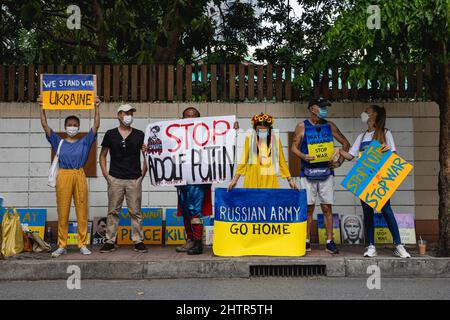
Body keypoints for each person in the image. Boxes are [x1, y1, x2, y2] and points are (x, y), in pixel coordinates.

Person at [338, 105, 411, 258]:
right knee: (368, 213)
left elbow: (394, 154)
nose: (364, 113)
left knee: (386, 211)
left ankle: (399, 245)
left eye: (367, 111)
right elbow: (351, 156)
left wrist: (387, 148)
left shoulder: (385, 133)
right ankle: (371, 246)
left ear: (374, 115)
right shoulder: (361, 136)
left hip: (380, 179)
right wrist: (339, 151)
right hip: (364, 179)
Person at [143, 107, 213, 255]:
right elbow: (162, 149)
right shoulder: (174, 136)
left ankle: (198, 243)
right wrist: (149, 148)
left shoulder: (207, 133)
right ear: (181, 118)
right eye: (187, 116)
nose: (191, 118)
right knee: (185, 210)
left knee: (195, 210)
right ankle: (190, 240)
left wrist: (233, 131)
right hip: (181, 178)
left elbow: (222, 141)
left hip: (198, 178)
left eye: (194, 116)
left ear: (200, 119)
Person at [39, 96, 101, 258]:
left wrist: (97, 107)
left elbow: (96, 126)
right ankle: (62, 244)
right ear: (65, 126)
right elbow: (45, 125)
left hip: (79, 173)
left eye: (75, 125)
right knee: (63, 211)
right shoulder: (58, 141)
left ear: (78, 127)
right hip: (64, 175)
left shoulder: (85, 141)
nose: (72, 127)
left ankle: (82, 243)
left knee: (82, 210)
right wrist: (42, 107)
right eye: (69, 125)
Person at [291, 97, 350, 254]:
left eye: (326, 107)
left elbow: (346, 143)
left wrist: (339, 162)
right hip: (306, 173)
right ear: (312, 109)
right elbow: (294, 147)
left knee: (326, 207)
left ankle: (330, 241)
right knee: (308, 208)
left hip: (326, 172)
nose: (325, 110)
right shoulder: (301, 126)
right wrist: (303, 156)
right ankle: (306, 240)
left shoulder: (330, 126)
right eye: (322, 107)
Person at [99, 104, 148, 253]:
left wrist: (142, 174)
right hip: (115, 178)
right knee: (113, 211)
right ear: (119, 115)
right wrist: (106, 175)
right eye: (126, 113)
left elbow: (147, 155)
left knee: (135, 211)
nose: (129, 116)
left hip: (134, 178)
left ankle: (138, 240)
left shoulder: (140, 134)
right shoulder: (110, 134)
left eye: (131, 113)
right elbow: (102, 155)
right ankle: (110, 241)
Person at [228, 113, 298, 190]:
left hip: (269, 177)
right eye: (259, 130)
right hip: (253, 177)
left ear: (269, 129)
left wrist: (290, 180)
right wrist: (235, 180)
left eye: (264, 130)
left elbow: (282, 161)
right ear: (255, 129)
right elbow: (243, 161)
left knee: (269, 200)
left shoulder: (275, 140)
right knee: (252, 201)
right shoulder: (250, 139)